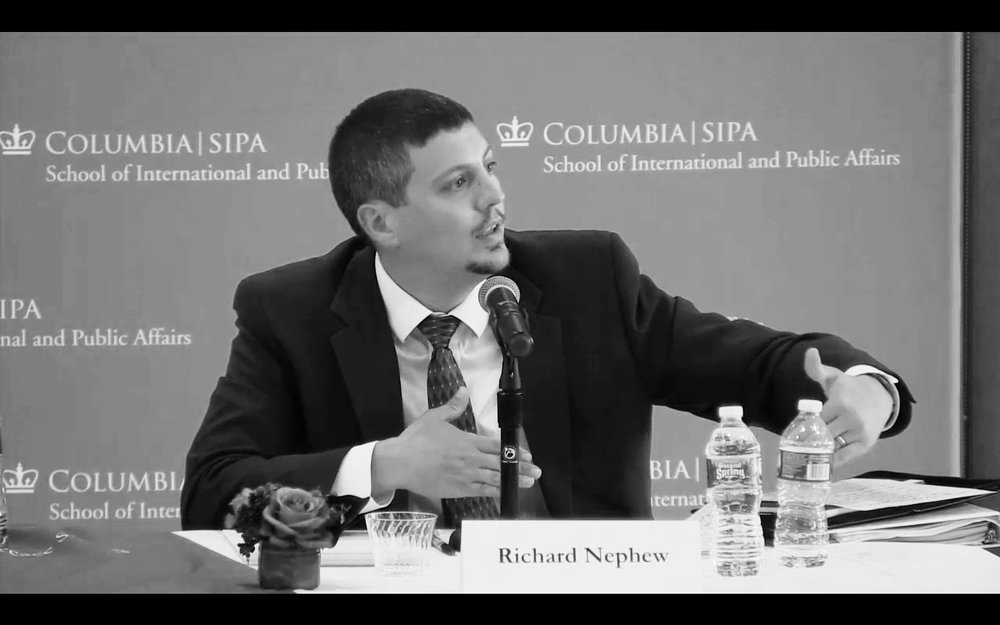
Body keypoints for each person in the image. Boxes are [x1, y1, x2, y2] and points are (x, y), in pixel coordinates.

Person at [180, 88, 915, 530]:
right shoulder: (291, 312)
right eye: (458, 184)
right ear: (382, 223)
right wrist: (383, 464)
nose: (495, 198)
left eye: (490, 169)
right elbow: (213, 491)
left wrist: (863, 387)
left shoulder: (585, 280)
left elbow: (756, 362)